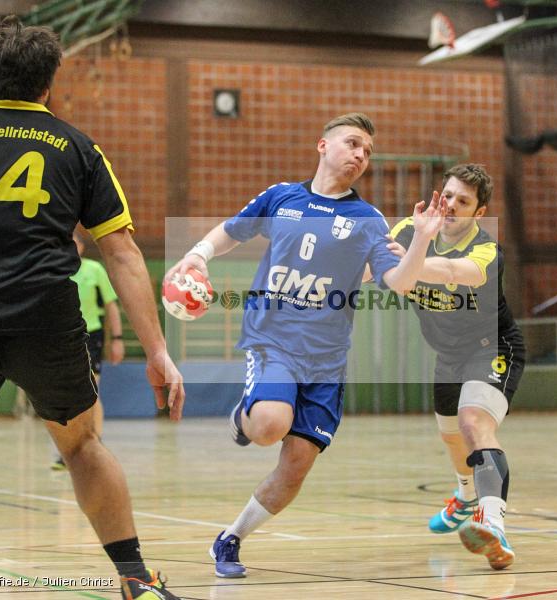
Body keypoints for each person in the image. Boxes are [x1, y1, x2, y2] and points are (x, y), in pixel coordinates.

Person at [0, 17, 184, 600]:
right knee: (81, 446)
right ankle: (136, 581)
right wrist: (158, 351)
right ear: (49, 82)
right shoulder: (79, 147)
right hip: (45, 318)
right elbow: (120, 251)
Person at [165, 112, 444, 579]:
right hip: (273, 340)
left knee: (295, 468)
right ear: (323, 145)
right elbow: (233, 230)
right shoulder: (282, 197)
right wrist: (197, 255)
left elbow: (397, 281)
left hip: (327, 360)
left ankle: (231, 537)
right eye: (353, 144)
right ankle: (245, 417)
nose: (360, 155)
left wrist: (422, 242)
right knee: (271, 424)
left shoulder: (367, 219)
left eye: (368, 151)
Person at [387, 163, 524, 570]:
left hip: (492, 346)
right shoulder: (406, 232)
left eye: (462, 201)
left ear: (479, 213)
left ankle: (493, 523)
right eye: (447, 195)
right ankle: (465, 497)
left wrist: (411, 261)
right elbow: (374, 266)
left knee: (473, 423)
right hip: (447, 354)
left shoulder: (486, 250)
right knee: (451, 437)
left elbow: (449, 271)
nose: (449, 205)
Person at [51, 231, 126, 471]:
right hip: (60, 336)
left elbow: (111, 306)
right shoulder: (53, 271)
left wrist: (117, 338)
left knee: (91, 390)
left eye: (73, 243)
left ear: (82, 247)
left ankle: (95, 443)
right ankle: (69, 450)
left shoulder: (94, 270)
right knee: (64, 394)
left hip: (90, 335)